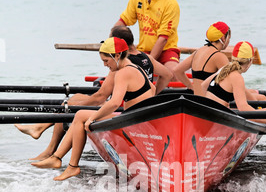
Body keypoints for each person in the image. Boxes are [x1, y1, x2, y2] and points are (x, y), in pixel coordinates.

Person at [15, 27, 171, 162]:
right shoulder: (146, 58)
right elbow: (167, 75)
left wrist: (75, 109)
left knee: (73, 107)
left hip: (122, 109)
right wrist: (151, 96)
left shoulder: (122, 65)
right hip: (135, 107)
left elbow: (101, 97)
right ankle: (43, 132)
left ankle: (51, 149)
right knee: (75, 98)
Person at [31, 37, 155, 180]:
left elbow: (114, 103)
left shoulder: (123, 72)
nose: (104, 65)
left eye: (106, 61)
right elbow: (152, 87)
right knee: (81, 115)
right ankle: (59, 159)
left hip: (133, 120)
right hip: (137, 116)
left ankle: (69, 165)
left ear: (117, 55)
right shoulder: (135, 67)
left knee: (81, 115)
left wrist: (93, 118)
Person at [202, 41, 266, 162]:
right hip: (220, 118)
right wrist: (264, 118)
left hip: (211, 113)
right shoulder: (236, 77)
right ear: (249, 62)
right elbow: (243, 108)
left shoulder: (223, 69)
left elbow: (203, 85)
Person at [113, 0, 180, 75]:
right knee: (117, 70)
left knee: (173, 74)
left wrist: (147, 62)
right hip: (143, 50)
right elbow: (123, 22)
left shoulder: (171, 3)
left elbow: (163, 39)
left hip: (166, 50)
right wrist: (110, 40)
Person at [174, 21, 232, 96]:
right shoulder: (219, 56)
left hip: (196, 101)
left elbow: (177, 70)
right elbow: (231, 82)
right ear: (223, 38)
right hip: (209, 104)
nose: (229, 42)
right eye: (229, 38)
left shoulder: (198, 52)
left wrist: (190, 86)